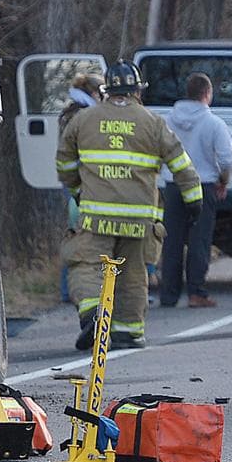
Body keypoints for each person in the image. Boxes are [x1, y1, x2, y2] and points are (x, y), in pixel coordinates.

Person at [57, 59, 202, 350]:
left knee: (86, 264)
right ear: (138, 90)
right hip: (139, 219)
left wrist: (77, 191)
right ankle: (128, 332)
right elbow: (181, 164)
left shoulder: (83, 120)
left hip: (96, 215)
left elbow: (65, 164)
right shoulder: (153, 122)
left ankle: (93, 313)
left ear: (106, 90)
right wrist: (194, 199)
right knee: (133, 273)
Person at [159, 72, 232, 308]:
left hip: (173, 185)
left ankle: (169, 295)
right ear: (207, 93)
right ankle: (196, 292)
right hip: (203, 185)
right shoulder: (214, 123)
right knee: (199, 240)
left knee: (171, 240)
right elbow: (226, 159)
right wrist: (223, 182)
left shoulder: (168, 121)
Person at [59, 72, 105, 303]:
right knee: (80, 234)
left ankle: (69, 289)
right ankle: (71, 290)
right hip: (83, 180)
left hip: (75, 180)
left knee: (75, 232)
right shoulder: (83, 114)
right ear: (94, 93)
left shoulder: (71, 111)